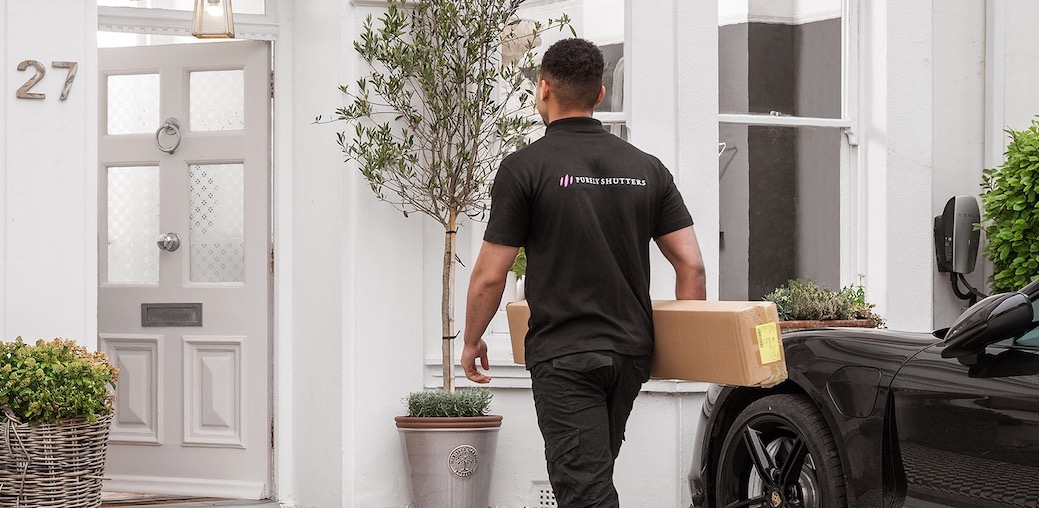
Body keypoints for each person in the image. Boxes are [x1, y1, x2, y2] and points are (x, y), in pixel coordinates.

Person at [461, 38, 707, 507]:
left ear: (543, 89)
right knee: (590, 479)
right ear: (599, 95)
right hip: (630, 355)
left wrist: (471, 340)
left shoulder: (524, 168)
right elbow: (691, 265)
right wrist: (683, 346)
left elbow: (491, 275)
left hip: (566, 355)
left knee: (584, 491)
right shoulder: (647, 169)